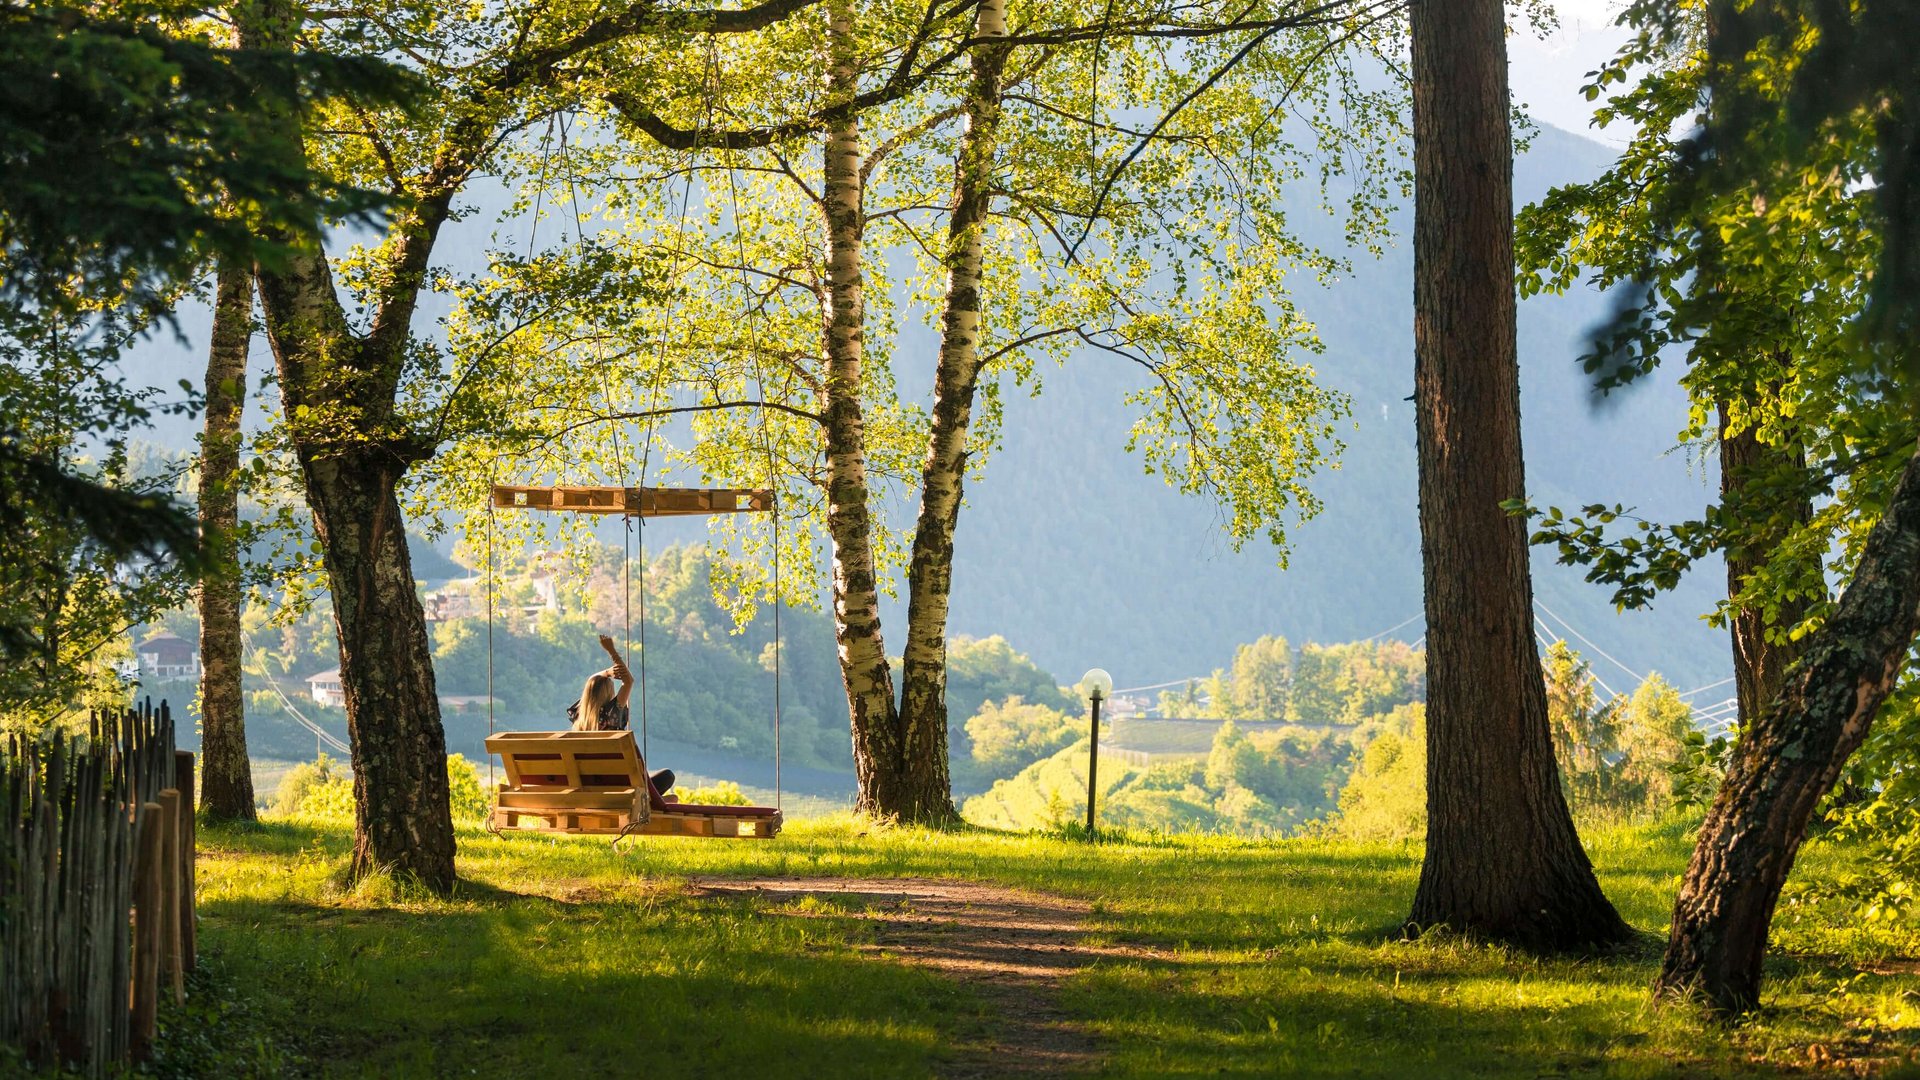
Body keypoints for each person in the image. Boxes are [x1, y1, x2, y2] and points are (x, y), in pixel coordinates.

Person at [568, 658, 675, 797]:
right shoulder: (612, 719)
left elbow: (591, 681)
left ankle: (657, 802)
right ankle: (648, 804)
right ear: (608, 693)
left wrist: (606, 672)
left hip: (591, 789)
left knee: (671, 796)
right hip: (620, 789)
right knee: (667, 776)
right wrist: (612, 664)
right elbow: (629, 681)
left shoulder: (578, 719)